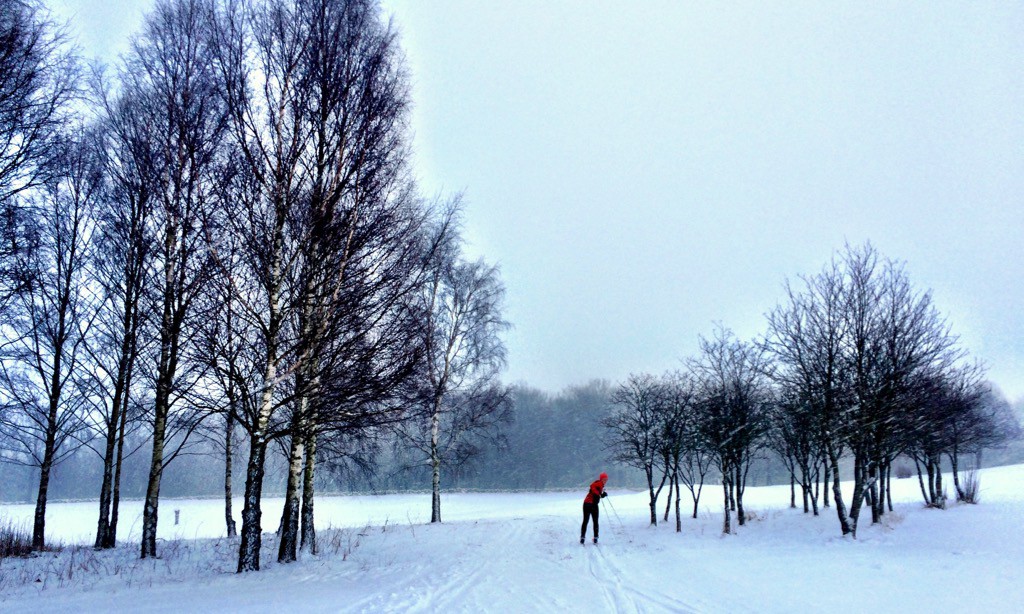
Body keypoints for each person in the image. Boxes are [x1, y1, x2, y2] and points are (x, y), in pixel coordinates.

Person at [580, 472, 608, 544]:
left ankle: (592, 538)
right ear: (601, 479)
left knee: (591, 521)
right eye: (604, 479)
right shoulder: (598, 483)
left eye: (606, 479)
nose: (605, 481)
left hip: (588, 503)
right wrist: (598, 493)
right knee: (589, 521)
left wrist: (602, 495)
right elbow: (592, 486)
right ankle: (585, 537)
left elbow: (597, 495)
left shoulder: (601, 485)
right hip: (589, 504)